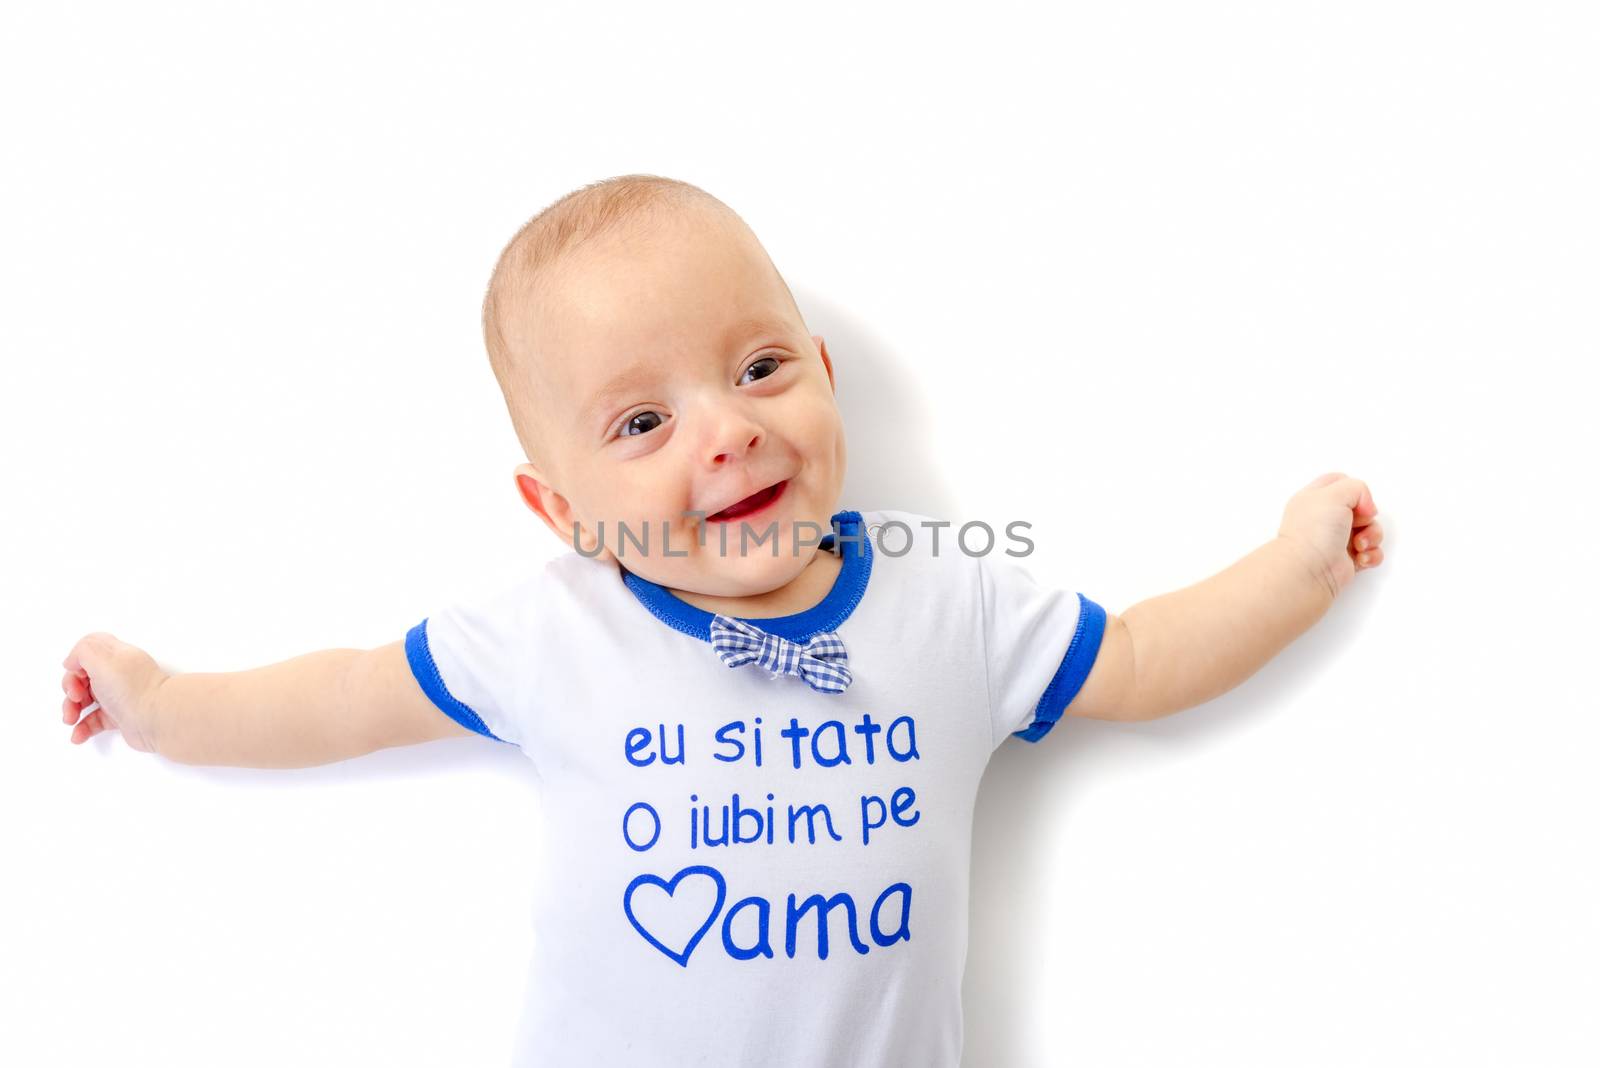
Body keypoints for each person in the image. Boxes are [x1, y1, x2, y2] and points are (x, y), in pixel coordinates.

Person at [58, 173, 1386, 1066]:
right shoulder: (554, 631)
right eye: (642, 423)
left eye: (758, 367)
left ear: (820, 372)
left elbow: (1146, 659)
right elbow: (345, 696)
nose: (729, 430)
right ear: (562, 506)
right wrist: (164, 702)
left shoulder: (953, 601)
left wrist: (1295, 565)